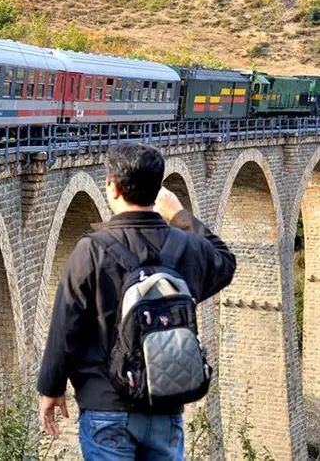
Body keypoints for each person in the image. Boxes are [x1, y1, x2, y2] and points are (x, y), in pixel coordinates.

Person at [37, 143, 236, 460]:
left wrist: (51, 388)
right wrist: (179, 215)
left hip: (106, 404)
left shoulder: (91, 250)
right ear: (158, 191)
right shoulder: (186, 248)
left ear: (112, 187)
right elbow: (225, 262)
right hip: (165, 403)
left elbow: (65, 325)